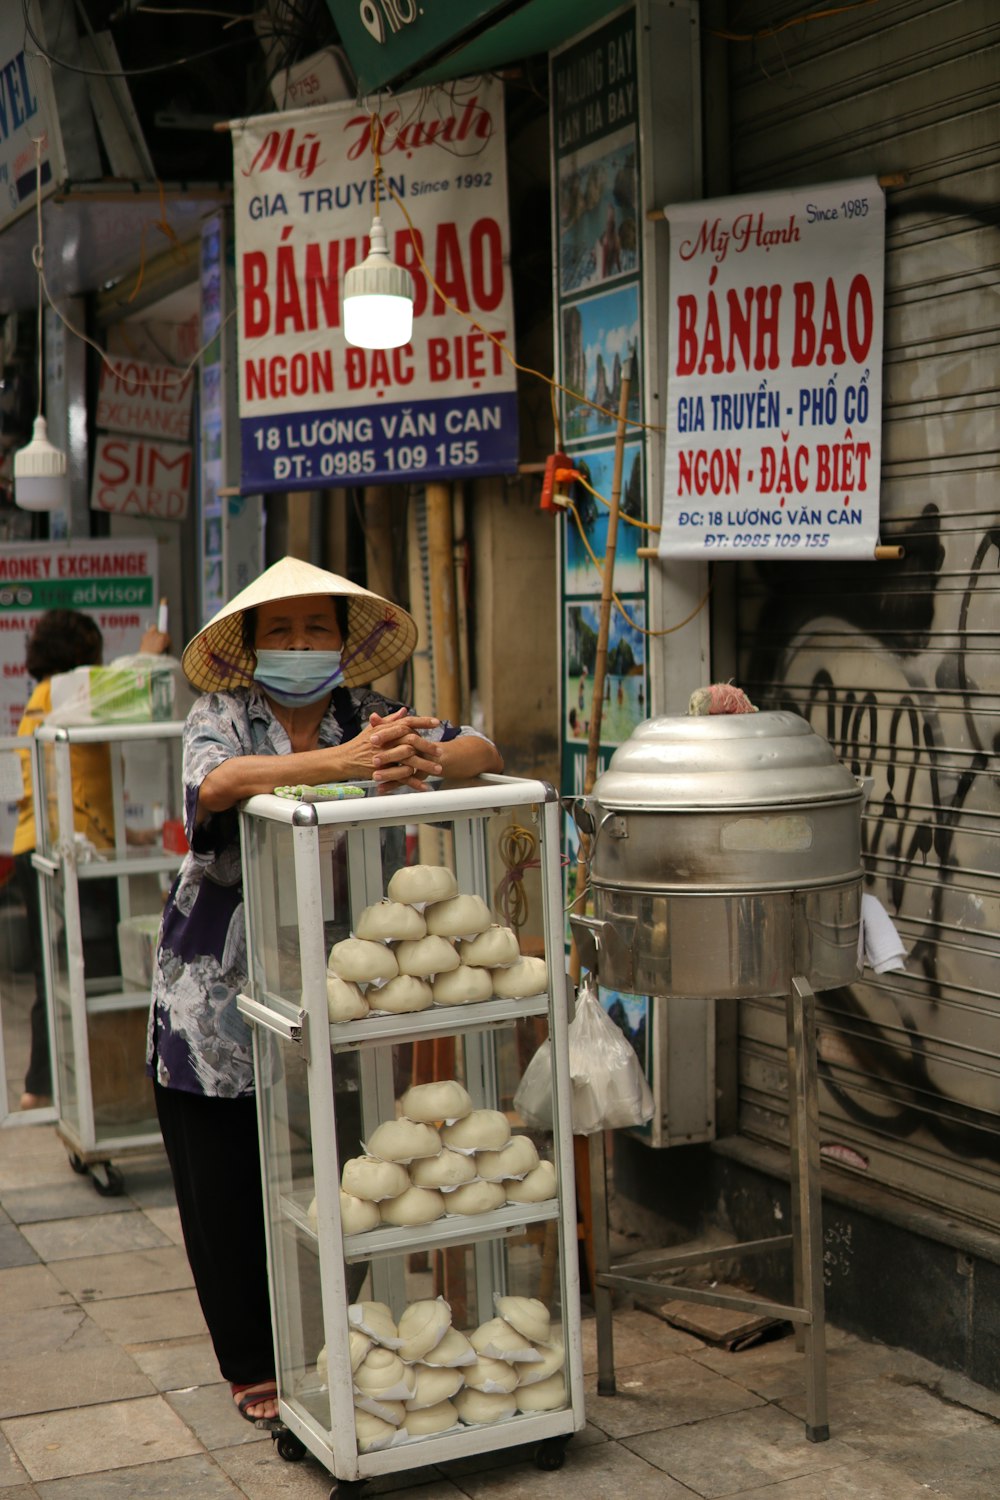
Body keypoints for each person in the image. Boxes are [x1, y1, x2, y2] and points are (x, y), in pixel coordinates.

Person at [146, 556, 503, 1426]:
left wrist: (422, 754)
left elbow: (484, 751)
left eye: (317, 630)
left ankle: (337, 1341)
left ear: (344, 646)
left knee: (353, 1169)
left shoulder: (372, 714)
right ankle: (252, 1365)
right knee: (224, 1178)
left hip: (337, 983)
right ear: (253, 647)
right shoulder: (224, 714)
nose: (300, 645)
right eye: (282, 630)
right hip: (212, 990)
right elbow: (216, 787)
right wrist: (343, 762)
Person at [12, 609, 170, 1109]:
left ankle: (43, 1084)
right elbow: (117, 689)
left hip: (41, 846)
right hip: (71, 855)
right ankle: (105, 1083)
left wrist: (132, 833)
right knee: (98, 966)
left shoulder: (41, 700)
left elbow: (75, 785)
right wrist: (147, 656)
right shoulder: (65, 693)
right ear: (82, 656)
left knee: (55, 968)